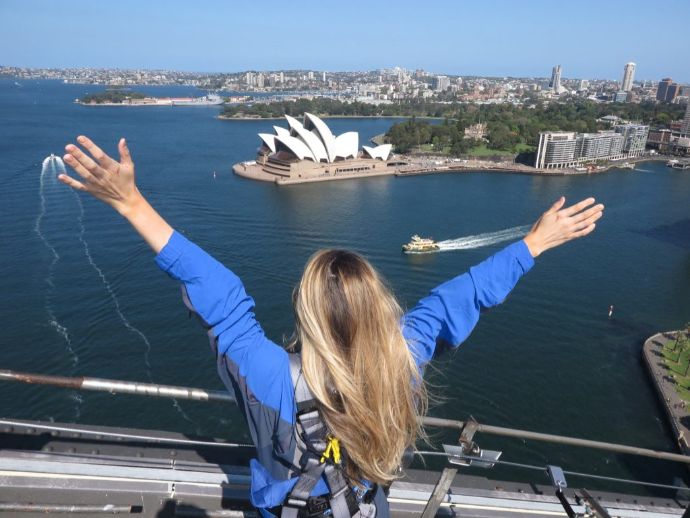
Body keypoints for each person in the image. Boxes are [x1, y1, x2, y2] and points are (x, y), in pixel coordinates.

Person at [60, 136, 604, 518]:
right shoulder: (403, 359)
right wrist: (533, 244)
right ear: (379, 308)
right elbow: (461, 298)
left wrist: (132, 204)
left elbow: (222, 300)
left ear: (308, 315)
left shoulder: (269, 376)